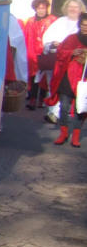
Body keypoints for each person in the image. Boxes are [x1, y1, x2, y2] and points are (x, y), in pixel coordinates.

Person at [45, 12, 87, 147]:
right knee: (64, 106)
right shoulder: (71, 38)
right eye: (83, 25)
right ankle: (63, 133)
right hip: (68, 77)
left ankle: (75, 136)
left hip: (84, 79)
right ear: (80, 25)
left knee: (80, 108)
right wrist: (72, 53)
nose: (85, 27)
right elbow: (60, 53)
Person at [23, 0, 57, 109]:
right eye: (39, 8)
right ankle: (32, 98)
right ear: (35, 9)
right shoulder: (30, 21)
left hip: (47, 53)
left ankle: (41, 100)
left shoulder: (53, 20)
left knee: (44, 77)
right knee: (33, 76)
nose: (41, 10)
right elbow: (26, 37)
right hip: (32, 53)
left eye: (43, 8)